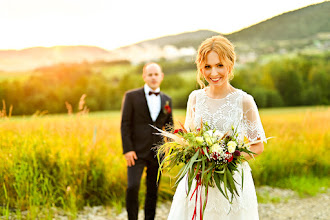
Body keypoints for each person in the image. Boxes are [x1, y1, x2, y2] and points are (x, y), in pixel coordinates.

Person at [167, 36, 266, 219]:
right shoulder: (195, 98)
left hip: (231, 182)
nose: (214, 73)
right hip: (198, 181)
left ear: (230, 64)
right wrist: (194, 154)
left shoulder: (244, 101)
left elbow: (257, 146)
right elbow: (189, 138)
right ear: (200, 68)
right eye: (207, 67)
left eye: (219, 65)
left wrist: (226, 159)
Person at [121, 62, 173, 220]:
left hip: (158, 152)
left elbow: (169, 126)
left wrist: (172, 147)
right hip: (135, 152)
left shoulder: (167, 100)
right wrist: (127, 149)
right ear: (144, 77)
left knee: (153, 189)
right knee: (132, 187)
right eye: (150, 74)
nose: (153, 77)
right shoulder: (131, 96)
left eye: (156, 74)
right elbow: (125, 124)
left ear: (161, 76)